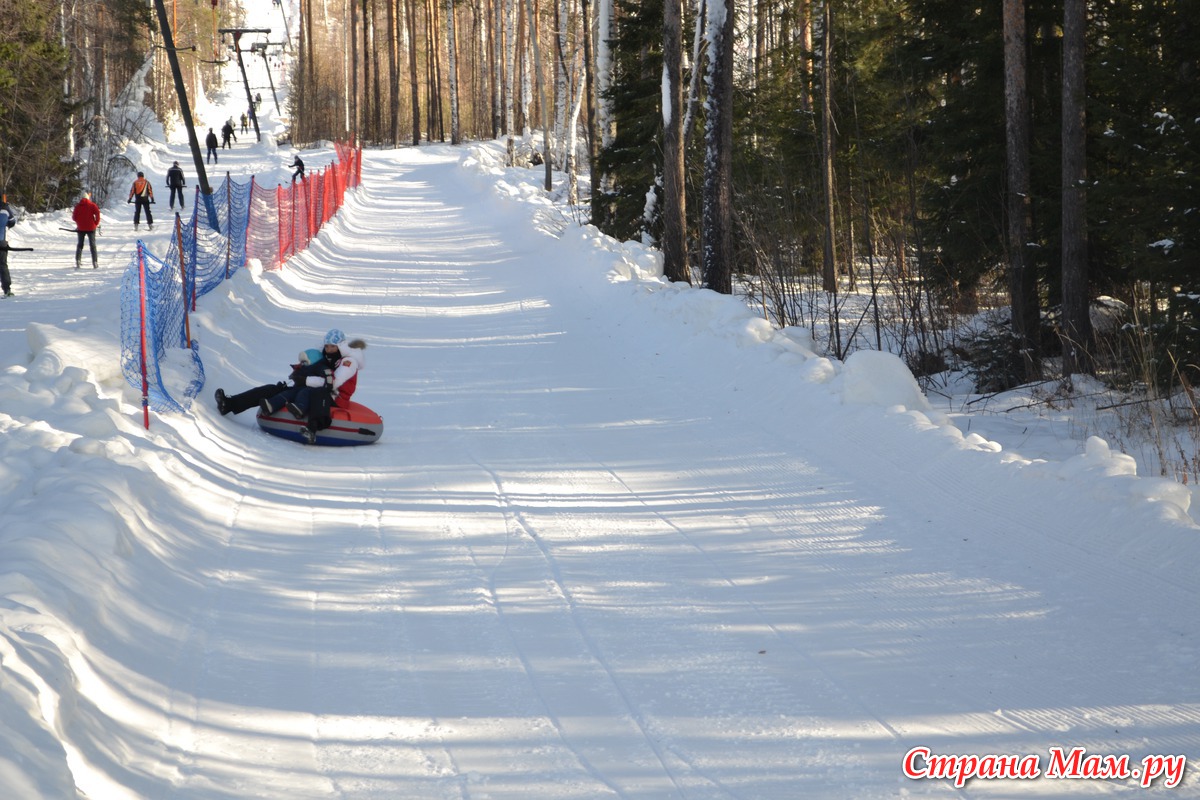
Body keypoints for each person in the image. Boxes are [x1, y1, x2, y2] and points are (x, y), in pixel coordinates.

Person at [260, 329, 366, 444]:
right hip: (329, 392)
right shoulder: (331, 359)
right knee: (300, 390)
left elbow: (334, 383)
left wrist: (306, 380)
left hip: (339, 397)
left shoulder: (348, 362)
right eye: (327, 346)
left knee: (312, 392)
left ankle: (309, 423)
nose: (329, 350)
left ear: (340, 347)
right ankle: (273, 405)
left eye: (332, 346)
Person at [72, 191, 101, 269]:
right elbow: (98, 214)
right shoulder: (92, 205)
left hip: (81, 228)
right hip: (91, 228)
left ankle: (78, 260)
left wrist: (79, 222)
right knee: (93, 245)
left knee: (80, 245)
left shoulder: (77, 206)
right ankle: (95, 262)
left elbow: (74, 218)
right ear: (88, 198)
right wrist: (96, 223)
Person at [0, 195, 20, 297]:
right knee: (2, 265)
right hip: (1, 241)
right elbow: (12, 222)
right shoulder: (5, 208)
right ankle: (7, 289)